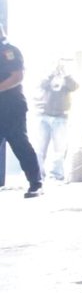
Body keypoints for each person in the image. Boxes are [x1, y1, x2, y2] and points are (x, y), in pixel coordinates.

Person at [0, 23, 44, 198]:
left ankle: (36, 183)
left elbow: (17, 76)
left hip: (11, 107)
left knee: (19, 143)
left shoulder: (9, 52)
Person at [31, 59, 77, 181]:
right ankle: (37, 175)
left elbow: (74, 86)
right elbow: (41, 84)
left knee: (59, 149)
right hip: (43, 115)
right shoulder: (44, 73)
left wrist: (65, 74)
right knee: (39, 149)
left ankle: (56, 175)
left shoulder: (68, 76)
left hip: (61, 116)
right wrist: (50, 73)